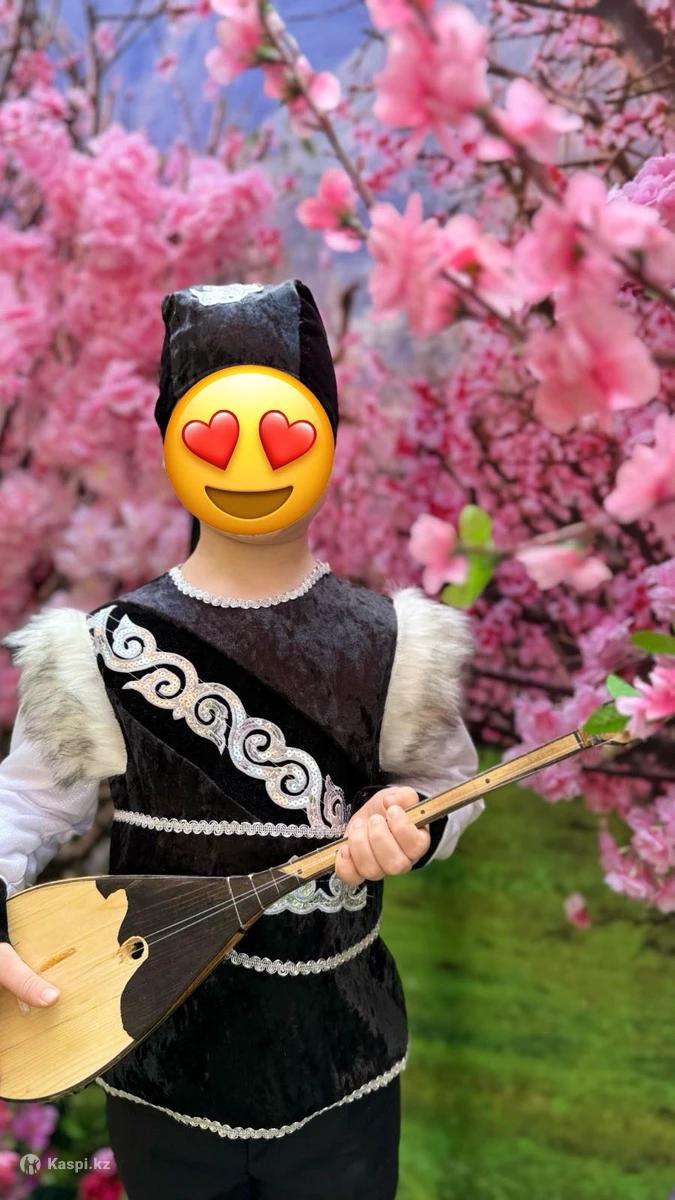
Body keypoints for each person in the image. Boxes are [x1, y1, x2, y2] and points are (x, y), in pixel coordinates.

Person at [0, 280, 483, 1199]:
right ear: (171, 443)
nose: (252, 461)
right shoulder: (101, 649)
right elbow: (22, 803)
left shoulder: (392, 642)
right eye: (217, 433)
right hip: (157, 1060)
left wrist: (412, 819)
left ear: (327, 438)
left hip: (342, 1064)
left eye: (285, 432)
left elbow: (446, 787)